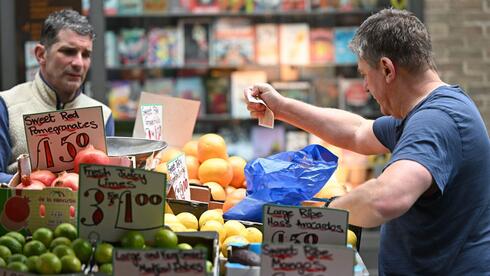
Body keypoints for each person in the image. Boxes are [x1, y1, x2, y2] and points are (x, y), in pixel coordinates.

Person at [244, 8, 489, 275]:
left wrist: (311, 218)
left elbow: (385, 199)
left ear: (386, 69)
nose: (365, 88)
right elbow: (357, 132)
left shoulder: (435, 122)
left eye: (364, 74)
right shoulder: (430, 112)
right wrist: (280, 107)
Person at [0, 9, 114, 183]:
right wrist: (33, 186)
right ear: (41, 54)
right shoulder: (7, 105)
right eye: (68, 52)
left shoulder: (103, 115)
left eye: (86, 54)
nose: (78, 63)